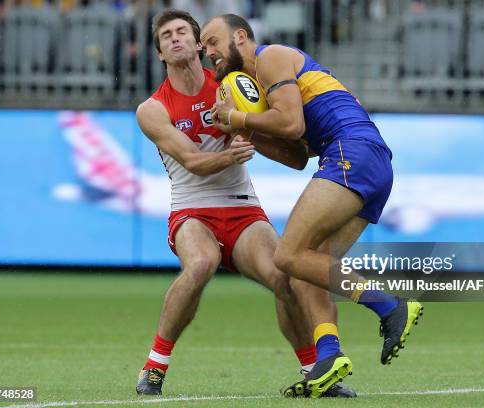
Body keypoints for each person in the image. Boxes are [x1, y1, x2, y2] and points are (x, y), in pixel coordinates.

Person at [134, 9, 355, 398]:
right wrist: (233, 150)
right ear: (159, 54)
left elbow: (294, 154)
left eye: (182, 31)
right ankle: (154, 367)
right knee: (201, 264)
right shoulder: (153, 109)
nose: (175, 39)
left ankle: (312, 372)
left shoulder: (233, 87)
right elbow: (193, 163)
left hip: (242, 207)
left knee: (286, 277)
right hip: (192, 208)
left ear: (200, 43)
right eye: (166, 36)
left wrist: (251, 127)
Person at [203, 13, 424, 395]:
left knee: (287, 255)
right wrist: (244, 129)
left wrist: (236, 115)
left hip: (351, 152)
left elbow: (291, 125)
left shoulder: (270, 57)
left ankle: (389, 306)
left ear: (240, 37)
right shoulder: (261, 83)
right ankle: (329, 355)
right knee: (306, 268)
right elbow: (296, 156)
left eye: (212, 42)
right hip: (366, 161)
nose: (208, 53)